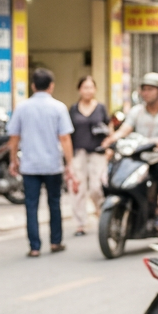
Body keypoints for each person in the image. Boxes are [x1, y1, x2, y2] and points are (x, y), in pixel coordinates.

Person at [8, 68, 78, 257]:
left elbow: (14, 138)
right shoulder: (59, 108)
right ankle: (56, 242)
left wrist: (13, 160)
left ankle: (34, 246)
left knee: (31, 205)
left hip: (30, 165)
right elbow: (65, 138)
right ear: (51, 86)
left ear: (33, 86)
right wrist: (69, 164)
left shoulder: (22, 107)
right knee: (54, 203)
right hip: (52, 164)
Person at [103, 73, 158, 226]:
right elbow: (124, 130)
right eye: (144, 89)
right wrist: (110, 140)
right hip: (138, 156)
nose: (146, 93)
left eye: (150, 89)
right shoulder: (136, 111)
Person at [68, 76, 109, 236]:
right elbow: (68, 134)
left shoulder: (100, 108)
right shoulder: (73, 109)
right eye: (85, 87)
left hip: (97, 153)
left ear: (95, 89)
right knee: (78, 189)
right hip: (79, 153)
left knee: (96, 187)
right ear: (79, 90)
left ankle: (102, 213)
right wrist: (68, 159)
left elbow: (108, 129)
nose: (88, 90)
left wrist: (107, 146)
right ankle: (80, 224)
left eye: (91, 87)